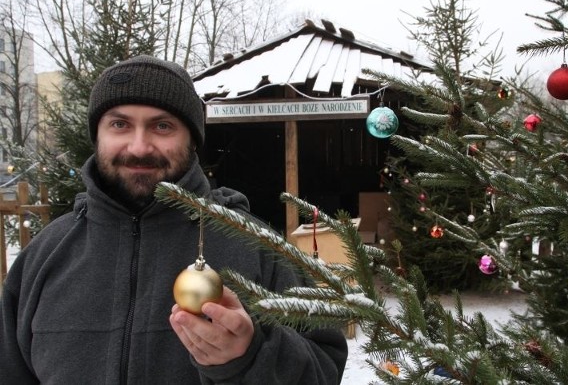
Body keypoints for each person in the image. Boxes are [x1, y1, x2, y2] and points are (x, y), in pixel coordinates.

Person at [0, 55, 348, 384]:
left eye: (162, 126)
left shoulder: (256, 247)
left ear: (192, 140)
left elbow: (324, 369)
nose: (138, 146)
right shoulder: (45, 255)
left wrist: (252, 354)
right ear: (98, 135)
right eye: (119, 124)